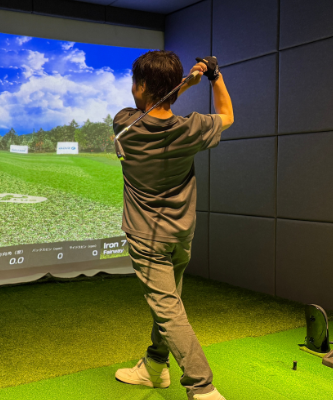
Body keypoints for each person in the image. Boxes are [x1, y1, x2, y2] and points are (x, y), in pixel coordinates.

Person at [112, 51, 234, 400]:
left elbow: (155, 103)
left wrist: (184, 84)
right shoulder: (190, 127)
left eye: (135, 82)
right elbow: (227, 115)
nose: (132, 88)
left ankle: (202, 387)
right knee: (169, 302)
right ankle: (154, 365)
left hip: (146, 237)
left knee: (167, 309)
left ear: (141, 86)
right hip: (180, 234)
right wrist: (212, 77)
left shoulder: (124, 122)